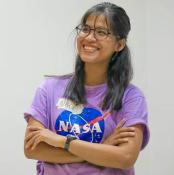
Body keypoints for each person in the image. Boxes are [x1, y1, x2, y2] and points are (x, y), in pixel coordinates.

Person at [23, 2, 149, 175]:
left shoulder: (131, 97)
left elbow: (125, 157)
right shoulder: (49, 89)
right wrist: (103, 148)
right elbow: (32, 149)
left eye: (101, 32)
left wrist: (63, 142)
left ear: (119, 45)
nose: (89, 37)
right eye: (85, 29)